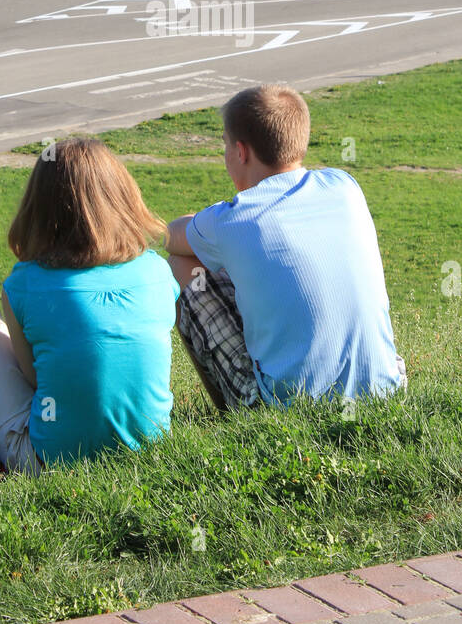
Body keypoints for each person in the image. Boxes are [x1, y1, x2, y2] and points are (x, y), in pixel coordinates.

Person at [0, 139, 179, 472]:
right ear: (124, 196)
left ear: (38, 208)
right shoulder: (158, 270)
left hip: (49, 460)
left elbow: (33, 379)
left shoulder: (24, 284)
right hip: (149, 450)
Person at [166, 84, 406, 412]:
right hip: (386, 387)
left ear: (241, 152)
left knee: (181, 264)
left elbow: (172, 237)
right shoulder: (345, 186)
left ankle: (232, 413)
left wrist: (208, 223)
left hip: (288, 407)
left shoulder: (232, 218)